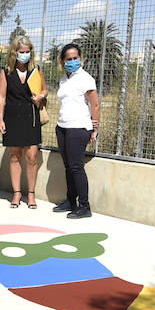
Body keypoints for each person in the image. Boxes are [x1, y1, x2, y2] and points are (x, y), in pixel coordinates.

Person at [0, 35, 46, 209]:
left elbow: (45, 90)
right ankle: (17, 194)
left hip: (31, 118)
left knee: (32, 157)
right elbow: (2, 97)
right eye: (21, 52)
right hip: (12, 118)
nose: (25, 55)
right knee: (14, 156)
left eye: (28, 51)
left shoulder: (36, 70)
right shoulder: (6, 71)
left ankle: (31, 194)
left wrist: (41, 95)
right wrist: (0, 118)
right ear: (14, 52)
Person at [53, 43, 99, 219]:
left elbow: (95, 105)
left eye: (76, 58)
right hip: (62, 127)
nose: (73, 61)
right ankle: (70, 200)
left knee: (76, 167)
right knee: (67, 167)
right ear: (63, 61)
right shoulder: (64, 79)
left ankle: (84, 206)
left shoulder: (85, 78)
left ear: (80, 58)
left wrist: (95, 130)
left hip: (78, 127)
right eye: (69, 59)